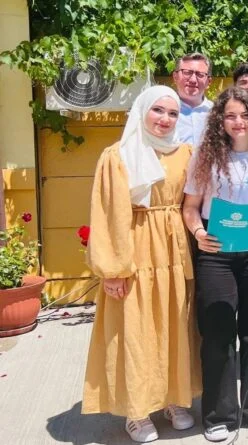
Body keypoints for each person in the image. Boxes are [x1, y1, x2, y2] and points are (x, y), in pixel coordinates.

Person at [82, 85, 201, 443]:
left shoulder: (186, 153)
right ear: (142, 110)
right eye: (158, 110)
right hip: (134, 253)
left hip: (174, 251)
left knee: (175, 325)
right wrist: (112, 269)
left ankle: (174, 398)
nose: (165, 119)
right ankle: (136, 411)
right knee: (135, 329)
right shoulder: (118, 155)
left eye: (173, 113)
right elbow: (107, 213)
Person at [183, 87, 248, 442]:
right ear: (220, 121)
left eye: (244, 115)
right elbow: (190, 207)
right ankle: (218, 415)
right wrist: (198, 233)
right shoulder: (206, 157)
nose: (238, 122)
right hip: (216, 254)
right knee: (218, 332)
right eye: (230, 116)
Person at [173, 53, 213, 146]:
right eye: (187, 72)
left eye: (200, 74)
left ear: (209, 82)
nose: (193, 80)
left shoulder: (217, 112)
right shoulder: (162, 111)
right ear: (175, 77)